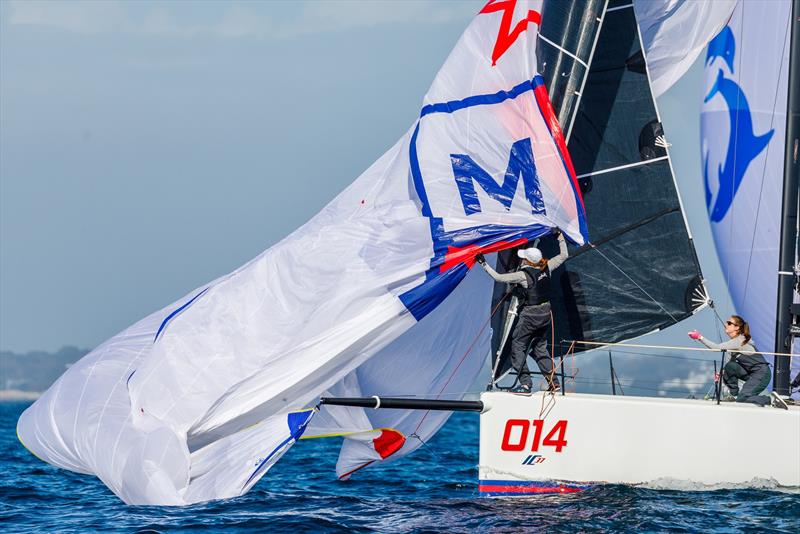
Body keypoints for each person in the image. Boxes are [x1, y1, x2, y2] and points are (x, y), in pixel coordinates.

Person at [476, 229, 568, 394]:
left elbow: (498, 277)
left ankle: (525, 385)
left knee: (517, 346)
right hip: (546, 313)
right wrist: (559, 236)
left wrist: (483, 263)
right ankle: (554, 383)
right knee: (540, 347)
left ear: (528, 260)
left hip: (530, 315)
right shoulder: (548, 266)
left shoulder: (522, 275)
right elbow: (563, 255)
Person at [688, 316, 784, 408]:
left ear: (737, 328)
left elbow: (716, 348)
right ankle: (734, 395)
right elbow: (729, 365)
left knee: (743, 398)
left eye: (729, 323)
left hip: (762, 374)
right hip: (752, 373)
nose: (726, 324)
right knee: (730, 366)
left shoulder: (739, 340)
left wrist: (700, 337)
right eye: (726, 322)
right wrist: (722, 373)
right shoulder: (733, 344)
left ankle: (771, 400)